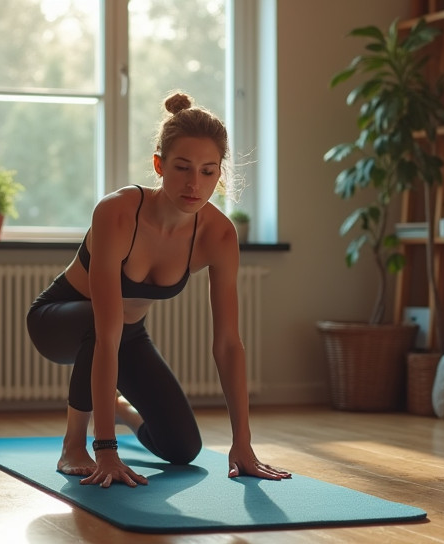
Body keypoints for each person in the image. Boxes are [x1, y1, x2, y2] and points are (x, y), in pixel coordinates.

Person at [26, 92, 290, 488]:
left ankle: (120, 409)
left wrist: (243, 443)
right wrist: (106, 448)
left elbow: (228, 344)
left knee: (183, 448)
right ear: (159, 165)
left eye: (207, 171)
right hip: (59, 320)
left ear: (220, 174)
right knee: (98, 326)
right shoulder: (117, 212)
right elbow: (106, 331)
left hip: (125, 335)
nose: (193, 183)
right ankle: (73, 444)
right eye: (182, 167)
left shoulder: (218, 235)